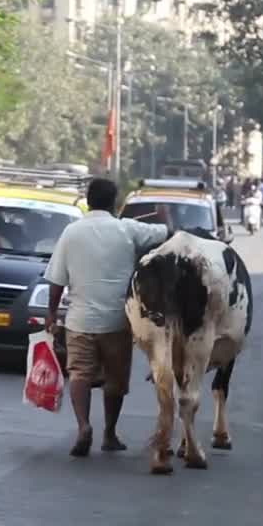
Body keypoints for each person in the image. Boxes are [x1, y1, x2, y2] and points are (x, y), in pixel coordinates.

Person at [45, 178, 169, 458]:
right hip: (118, 321)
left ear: (88, 201)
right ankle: (109, 434)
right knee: (115, 379)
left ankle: (83, 427)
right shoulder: (127, 229)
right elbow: (165, 233)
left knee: (79, 373)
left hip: (79, 320)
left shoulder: (71, 232)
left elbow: (56, 280)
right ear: (114, 203)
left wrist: (51, 313)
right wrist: (163, 216)